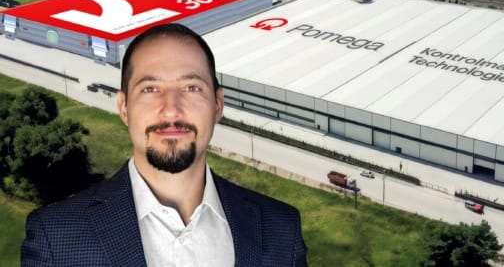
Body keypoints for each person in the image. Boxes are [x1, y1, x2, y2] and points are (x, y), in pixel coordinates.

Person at [21, 23, 307, 266]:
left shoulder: (281, 229)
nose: (171, 110)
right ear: (124, 107)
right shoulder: (55, 238)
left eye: (191, 88)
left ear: (217, 105)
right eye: (150, 89)